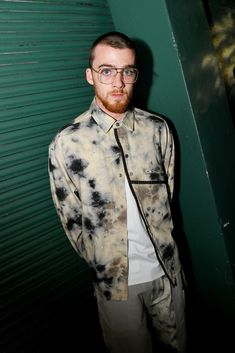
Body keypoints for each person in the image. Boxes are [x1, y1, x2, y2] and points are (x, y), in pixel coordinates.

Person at [48, 31, 186, 353]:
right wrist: (105, 261)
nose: (118, 82)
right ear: (90, 76)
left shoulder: (157, 130)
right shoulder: (67, 144)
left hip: (168, 273)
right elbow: (72, 222)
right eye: (107, 71)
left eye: (127, 71)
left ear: (136, 74)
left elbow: (168, 196)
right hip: (115, 286)